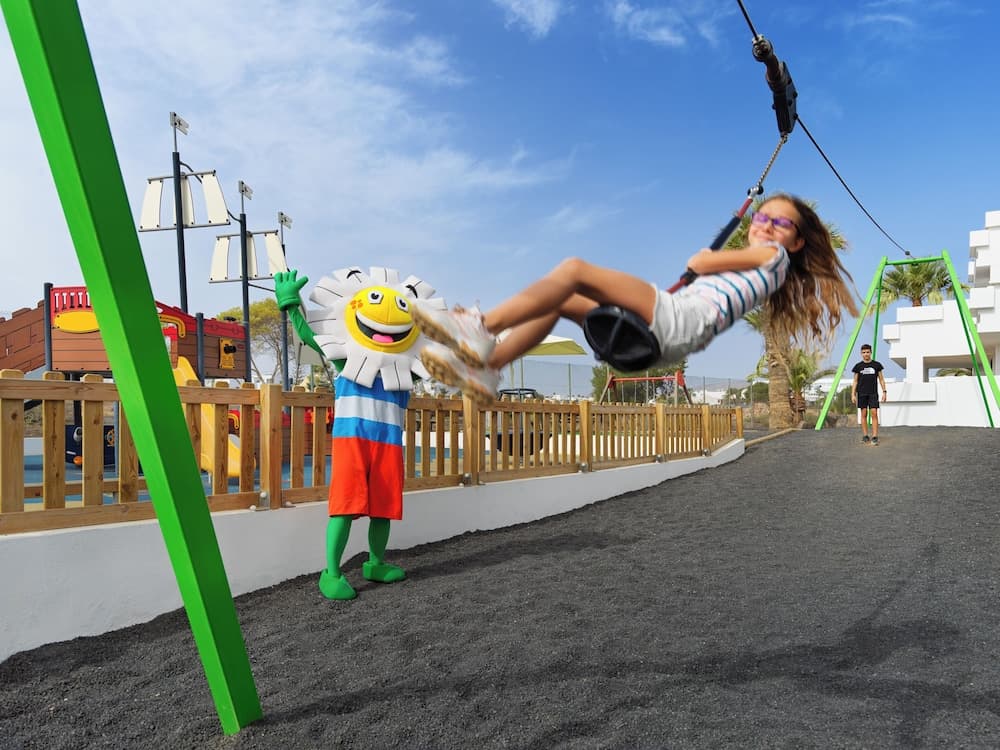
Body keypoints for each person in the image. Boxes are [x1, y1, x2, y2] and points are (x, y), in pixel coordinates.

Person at [410, 193, 858, 406]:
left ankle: (480, 327)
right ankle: (489, 367)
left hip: (679, 320)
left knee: (574, 270)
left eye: (781, 223)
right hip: (664, 341)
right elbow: (707, 272)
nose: (767, 225)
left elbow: (700, 262)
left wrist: (706, 257)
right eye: (762, 216)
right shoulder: (765, 268)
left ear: (797, 242)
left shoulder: (773, 256)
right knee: (562, 300)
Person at [851, 343, 887, 446]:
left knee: (874, 413)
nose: (866, 354)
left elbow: (881, 379)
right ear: (861, 353)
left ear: (871, 352)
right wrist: (853, 394)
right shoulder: (858, 366)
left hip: (873, 393)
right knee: (863, 414)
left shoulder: (877, 365)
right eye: (863, 352)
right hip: (861, 393)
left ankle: (875, 436)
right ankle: (865, 435)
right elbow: (855, 381)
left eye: (867, 352)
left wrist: (884, 392)